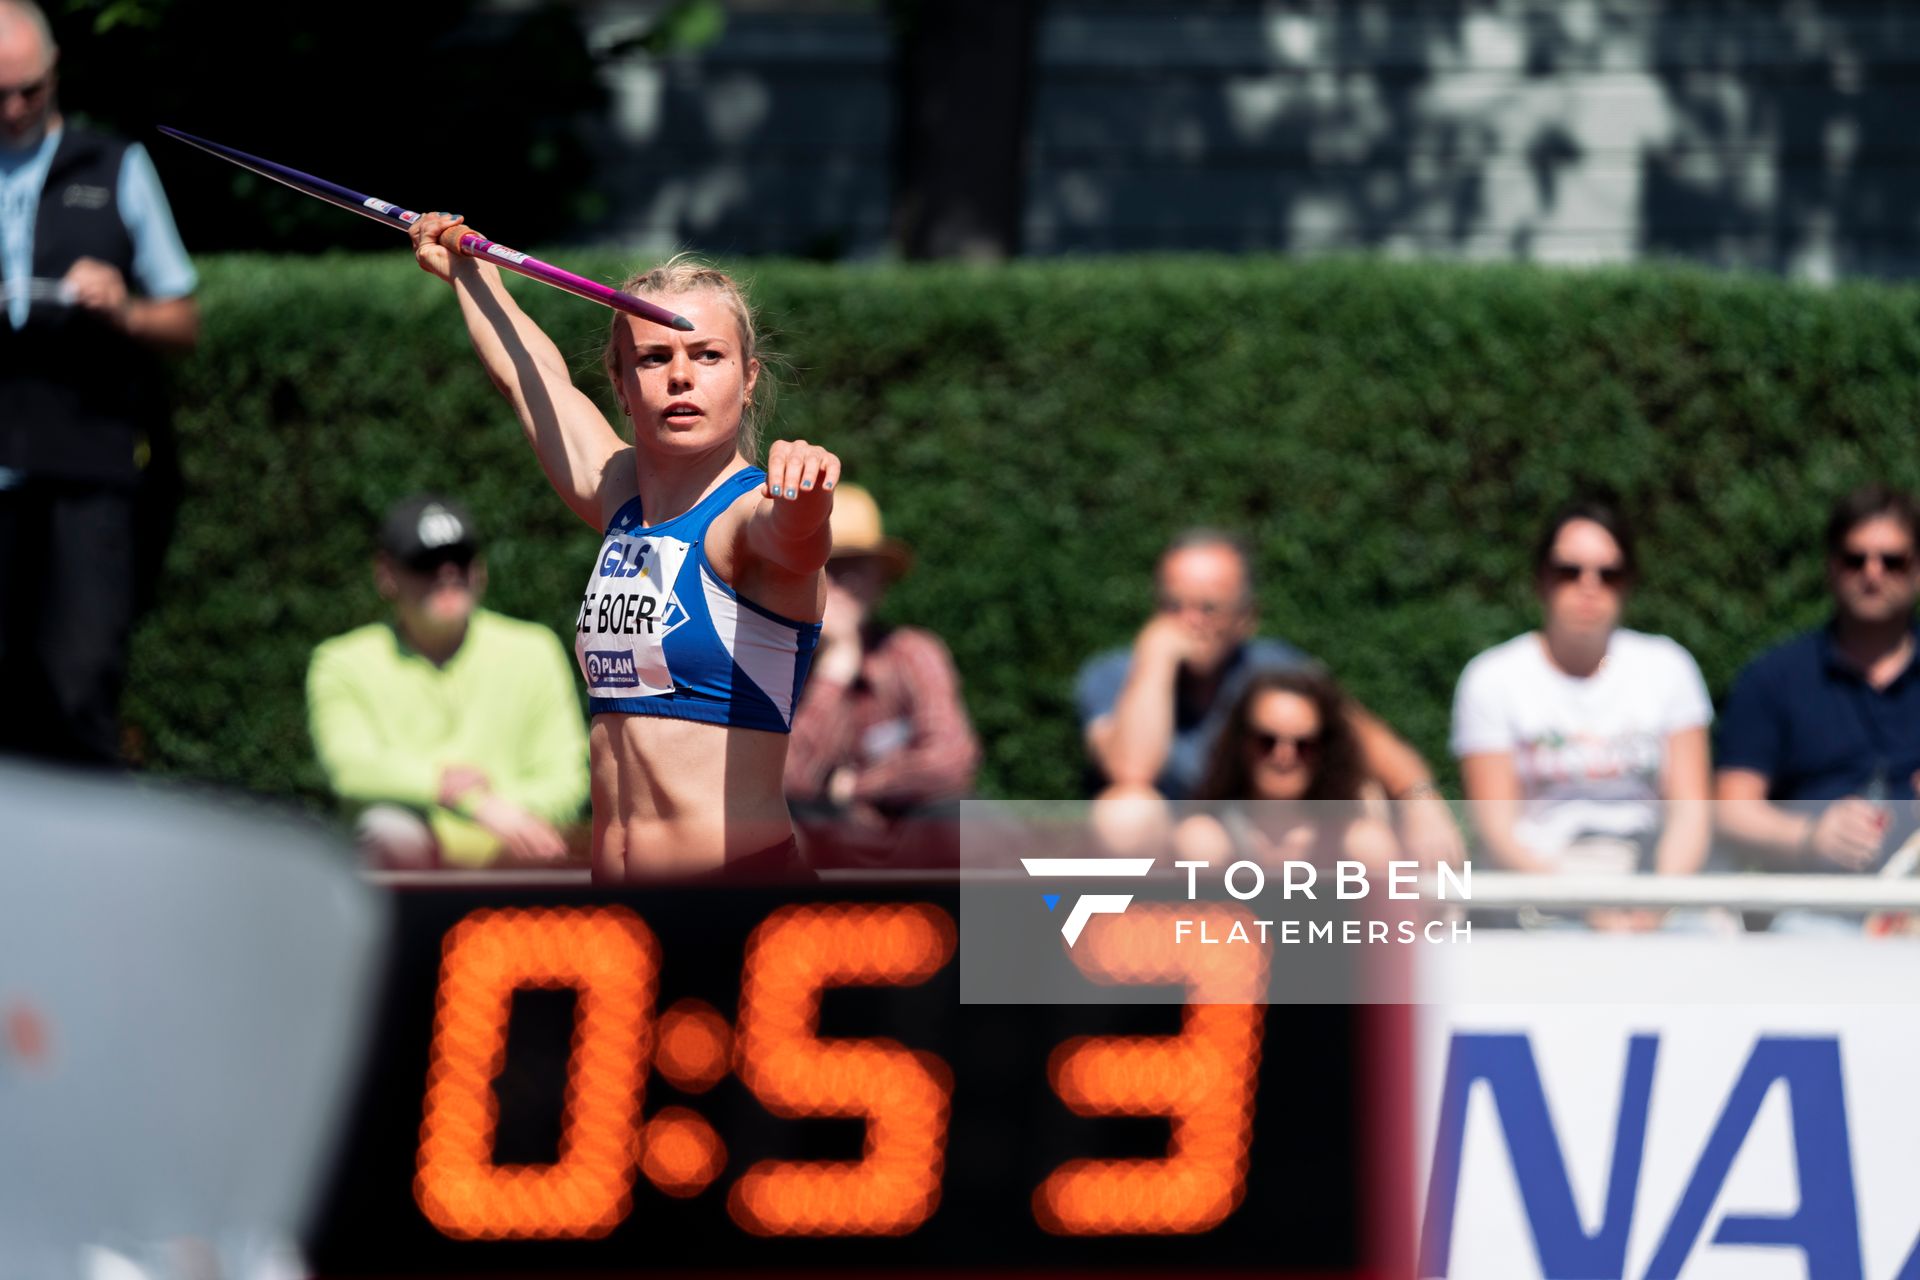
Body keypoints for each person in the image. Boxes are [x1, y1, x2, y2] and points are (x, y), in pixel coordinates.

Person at [409, 213, 837, 881]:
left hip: (736, 905)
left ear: (749, 378)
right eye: (654, 357)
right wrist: (471, 270)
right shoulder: (620, 497)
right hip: (621, 911)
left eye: (708, 356)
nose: (681, 377)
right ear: (621, 382)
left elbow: (798, 538)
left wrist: (808, 489)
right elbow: (532, 381)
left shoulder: (750, 516)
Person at [0, 0, 199, 765]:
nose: (15, 108)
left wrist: (121, 308)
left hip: (88, 471)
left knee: (77, 683)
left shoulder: (113, 165)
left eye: (30, 90)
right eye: (0, 94)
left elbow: (182, 319)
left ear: (54, 77)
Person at [1074, 528, 1461, 863]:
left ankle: (1358, 938)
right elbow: (1130, 770)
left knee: (1365, 805)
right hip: (1176, 854)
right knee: (1127, 810)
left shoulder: (1279, 669)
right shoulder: (1113, 674)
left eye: (1209, 607)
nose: (1190, 621)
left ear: (1246, 616)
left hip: (1267, 838)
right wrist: (1155, 661)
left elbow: (1372, 744)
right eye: (1174, 605)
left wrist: (1422, 803)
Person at [1450, 503, 1713, 925]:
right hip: (1539, 891)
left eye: (1608, 574)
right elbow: (1496, 829)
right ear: (1541, 579)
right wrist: (1586, 908)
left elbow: (1690, 813)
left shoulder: (1668, 667)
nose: (1589, 587)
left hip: (1650, 877)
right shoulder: (1492, 678)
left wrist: (1655, 906)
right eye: (1569, 571)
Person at [307, 494, 588, 870]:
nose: (447, 573)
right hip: (415, 855)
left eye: (460, 559)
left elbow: (567, 776)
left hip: (517, 849)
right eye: (426, 561)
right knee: (387, 830)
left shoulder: (534, 649)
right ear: (386, 574)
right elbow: (352, 768)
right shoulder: (341, 661)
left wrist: (507, 815)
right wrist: (469, 801)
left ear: (480, 569)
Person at [1717, 485, 1920, 874]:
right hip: (1811, 909)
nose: (1872, 574)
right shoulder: (1774, 677)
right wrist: (1809, 837)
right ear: (1831, 566)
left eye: (1892, 561)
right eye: (1854, 559)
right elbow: (1730, 809)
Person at [784, 483, 980, 866]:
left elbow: (951, 759)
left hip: (907, 837)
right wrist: (834, 669)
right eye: (829, 568)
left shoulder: (913, 653)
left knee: (966, 819)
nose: (845, 584)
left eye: (858, 569)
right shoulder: (772, 661)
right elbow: (785, 781)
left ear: (879, 581)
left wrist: (855, 786)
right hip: (819, 842)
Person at [1173, 668, 1398, 871]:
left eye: (1304, 746)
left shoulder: (1359, 844)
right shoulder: (1205, 840)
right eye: (1266, 742)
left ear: (1326, 750)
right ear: (1241, 744)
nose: (1284, 756)